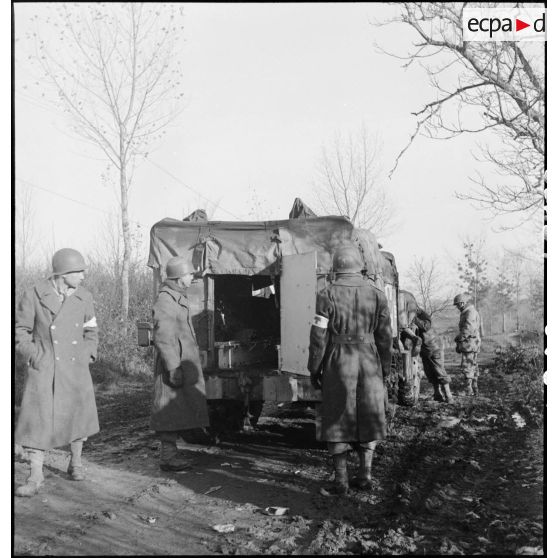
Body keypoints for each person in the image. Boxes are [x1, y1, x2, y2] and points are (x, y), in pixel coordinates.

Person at [307, 243, 392, 494]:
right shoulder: (377, 295)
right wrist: (384, 368)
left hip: (338, 361)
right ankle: (365, 477)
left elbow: (318, 336)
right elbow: (385, 337)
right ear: (360, 267)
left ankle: (341, 482)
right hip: (369, 360)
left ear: (336, 268)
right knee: (370, 415)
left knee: (337, 416)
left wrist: (315, 368)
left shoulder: (325, 294)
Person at [15, 248, 99, 497]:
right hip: (45, 367)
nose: (83, 276)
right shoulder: (33, 295)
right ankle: (35, 475)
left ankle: (76, 463)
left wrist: (87, 355)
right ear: (64, 274)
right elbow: (20, 332)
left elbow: (91, 331)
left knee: (77, 417)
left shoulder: (85, 297)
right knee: (37, 422)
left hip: (75, 366)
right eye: (79, 271)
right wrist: (35, 355)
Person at [151, 256, 210, 471]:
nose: (191, 277)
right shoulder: (166, 301)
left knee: (177, 408)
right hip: (172, 364)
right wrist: (173, 367)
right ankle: (168, 457)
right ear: (178, 277)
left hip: (179, 361)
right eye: (188, 274)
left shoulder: (175, 297)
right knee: (169, 410)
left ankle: (171, 455)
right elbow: (163, 337)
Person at [413, 307, 454, 403]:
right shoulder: (417, 316)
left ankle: (449, 396)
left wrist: (413, 318)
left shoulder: (424, 316)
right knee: (430, 373)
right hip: (425, 350)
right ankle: (437, 394)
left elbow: (425, 326)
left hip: (434, 349)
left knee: (440, 372)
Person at [453, 293, 481, 396]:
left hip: (470, 343)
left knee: (467, 365)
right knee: (473, 365)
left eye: (457, 305)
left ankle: (468, 390)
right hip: (471, 343)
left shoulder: (470, 312)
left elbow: (468, 329)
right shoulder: (469, 311)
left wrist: (459, 340)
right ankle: (474, 388)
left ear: (462, 303)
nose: (457, 307)